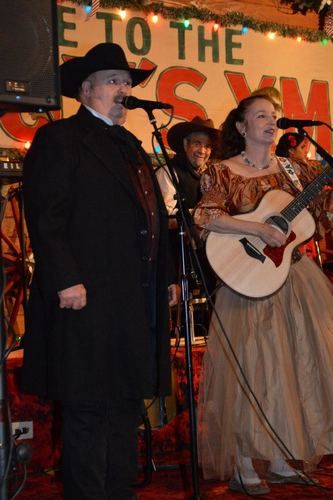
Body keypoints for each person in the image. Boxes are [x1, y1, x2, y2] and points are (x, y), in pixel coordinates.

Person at [22, 42, 177, 500]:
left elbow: (154, 217)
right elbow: (45, 215)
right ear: (86, 89)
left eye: (127, 82)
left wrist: (167, 275)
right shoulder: (60, 139)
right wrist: (66, 277)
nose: (124, 89)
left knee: (125, 405)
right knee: (89, 409)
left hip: (132, 301)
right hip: (85, 297)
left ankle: (118, 491)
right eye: (114, 81)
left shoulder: (132, 144)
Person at [194, 94, 333, 495]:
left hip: (293, 280)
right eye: (261, 116)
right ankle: (242, 464)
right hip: (247, 283)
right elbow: (205, 216)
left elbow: (319, 214)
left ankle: (278, 459)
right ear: (241, 126)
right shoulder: (221, 172)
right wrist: (257, 229)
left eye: (274, 116)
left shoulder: (293, 170)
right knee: (251, 373)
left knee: (290, 368)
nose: (271, 122)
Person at [156, 117, 220, 303]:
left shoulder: (211, 175)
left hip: (208, 257)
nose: (203, 151)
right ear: (185, 144)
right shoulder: (168, 173)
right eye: (197, 144)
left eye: (207, 146)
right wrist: (200, 217)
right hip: (177, 259)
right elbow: (164, 218)